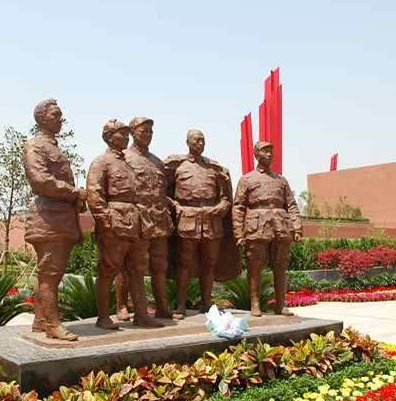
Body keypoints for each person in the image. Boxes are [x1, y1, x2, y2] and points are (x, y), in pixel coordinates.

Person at [87, 119, 164, 330]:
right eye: (121, 133)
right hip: (115, 224)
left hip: (137, 224)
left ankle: (141, 315)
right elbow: (95, 195)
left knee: (138, 270)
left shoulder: (128, 163)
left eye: (126, 133)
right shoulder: (101, 162)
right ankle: (103, 317)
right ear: (109, 137)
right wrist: (107, 222)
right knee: (108, 270)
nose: (126, 137)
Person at [23, 98, 87, 341]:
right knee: (50, 273)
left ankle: (40, 320)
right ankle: (52, 325)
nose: (61, 120)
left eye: (60, 115)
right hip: (49, 219)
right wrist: (74, 192)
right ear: (41, 118)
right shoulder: (36, 146)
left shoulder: (52, 146)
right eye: (55, 115)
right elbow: (40, 181)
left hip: (60, 218)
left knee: (51, 273)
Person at [165, 129, 231, 319]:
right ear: (188, 142)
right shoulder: (177, 166)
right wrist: (176, 206)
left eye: (203, 140)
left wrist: (221, 207)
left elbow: (226, 198)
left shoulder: (214, 168)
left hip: (211, 220)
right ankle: (180, 305)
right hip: (188, 219)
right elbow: (162, 192)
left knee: (210, 263)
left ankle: (206, 303)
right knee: (184, 264)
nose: (200, 143)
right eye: (196, 140)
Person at [232, 141, 303, 317]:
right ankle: (255, 304)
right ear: (256, 155)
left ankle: (281, 304)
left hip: (280, 226)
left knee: (280, 266)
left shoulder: (281, 180)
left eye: (271, 151)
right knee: (255, 267)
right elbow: (238, 207)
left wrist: (297, 228)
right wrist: (238, 233)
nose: (269, 154)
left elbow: (291, 205)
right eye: (265, 151)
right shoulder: (247, 179)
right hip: (256, 226)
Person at [122, 116, 175, 319]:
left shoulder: (157, 162)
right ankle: (122, 305)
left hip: (158, 219)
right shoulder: (124, 158)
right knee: (131, 264)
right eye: (144, 131)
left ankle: (162, 306)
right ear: (132, 132)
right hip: (135, 218)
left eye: (151, 131)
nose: (148, 135)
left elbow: (163, 190)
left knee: (160, 264)